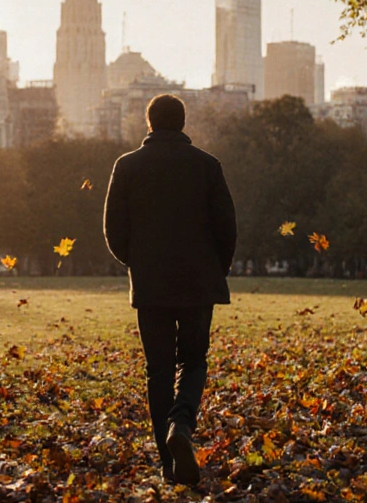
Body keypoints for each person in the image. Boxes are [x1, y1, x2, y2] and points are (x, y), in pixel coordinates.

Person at [102, 94, 237, 486]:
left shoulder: (126, 166)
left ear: (149, 123)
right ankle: (182, 425)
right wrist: (216, 269)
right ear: (182, 123)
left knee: (158, 370)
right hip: (198, 283)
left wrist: (138, 264)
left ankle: (167, 461)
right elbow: (226, 226)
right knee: (193, 361)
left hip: (151, 284)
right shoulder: (207, 166)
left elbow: (114, 230)